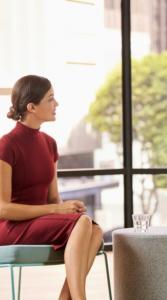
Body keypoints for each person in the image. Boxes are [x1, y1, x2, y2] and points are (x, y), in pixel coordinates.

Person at [0, 75, 103, 300]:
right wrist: (56, 210)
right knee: (84, 223)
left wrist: (66, 207)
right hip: (11, 227)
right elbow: (3, 209)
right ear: (32, 107)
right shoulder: (6, 145)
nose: (56, 104)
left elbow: (53, 197)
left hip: (39, 222)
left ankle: (66, 297)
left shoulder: (49, 144)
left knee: (96, 231)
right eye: (51, 99)